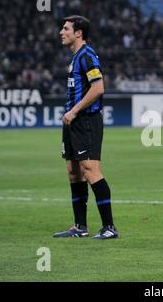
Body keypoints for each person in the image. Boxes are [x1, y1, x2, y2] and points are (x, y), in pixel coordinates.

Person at [53, 15, 118, 239]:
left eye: (66, 28)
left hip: (86, 120)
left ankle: (109, 227)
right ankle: (80, 227)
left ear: (78, 33)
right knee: (73, 172)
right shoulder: (75, 57)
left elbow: (98, 88)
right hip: (73, 121)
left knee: (90, 170)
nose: (61, 32)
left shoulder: (87, 54)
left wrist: (74, 111)